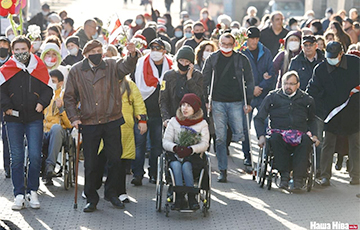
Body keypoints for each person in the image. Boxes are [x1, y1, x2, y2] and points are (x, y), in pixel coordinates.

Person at [64, 39, 139, 212]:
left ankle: (111, 193)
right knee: (90, 162)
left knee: (115, 159)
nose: (98, 54)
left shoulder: (111, 65)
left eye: (100, 50)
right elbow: (69, 97)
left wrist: (132, 54)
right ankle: (91, 197)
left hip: (112, 119)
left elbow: (126, 66)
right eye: (94, 51)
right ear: (86, 54)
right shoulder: (76, 71)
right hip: (89, 122)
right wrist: (74, 117)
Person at [0, 36, 53, 210]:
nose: (20, 53)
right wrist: (6, 107)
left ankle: (33, 191)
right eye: (17, 50)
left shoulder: (38, 67)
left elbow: (48, 89)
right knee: (17, 157)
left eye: (24, 49)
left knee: (35, 156)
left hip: (34, 118)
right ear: (12, 51)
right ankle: (19, 194)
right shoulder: (6, 69)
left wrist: (41, 103)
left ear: (30, 49)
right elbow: (1, 91)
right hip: (13, 119)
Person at [306, 41, 360, 186]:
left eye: (334, 57)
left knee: (356, 144)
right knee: (328, 144)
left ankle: (356, 176)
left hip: (354, 112)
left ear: (341, 54)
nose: (331, 60)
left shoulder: (355, 63)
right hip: (330, 113)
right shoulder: (321, 69)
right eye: (329, 57)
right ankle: (325, 176)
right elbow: (313, 90)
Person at [202, 33, 254, 182]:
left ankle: (247, 158)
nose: (226, 47)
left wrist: (248, 102)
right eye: (223, 44)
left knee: (240, 133)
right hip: (218, 102)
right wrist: (206, 100)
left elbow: (249, 80)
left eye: (229, 44)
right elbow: (205, 79)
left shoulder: (241, 59)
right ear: (219, 44)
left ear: (234, 44)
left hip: (237, 101)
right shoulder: (213, 58)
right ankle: (223, 170)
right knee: (220, 137)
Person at [255, 71, 319, 190]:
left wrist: (315, 135)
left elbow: (312, 120)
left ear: (298, 85)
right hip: (279, 133)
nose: (288, 86)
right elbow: (259, 118)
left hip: (299, 133)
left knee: (306, 141)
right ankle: (284, 176)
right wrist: (261, 136)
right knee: (274, 139)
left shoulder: (306, 99)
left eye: (291, 84)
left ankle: (298, 179)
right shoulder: (272, 97)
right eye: (285, 83)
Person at [132, 38, 173, 186]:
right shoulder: (141, 63)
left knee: (156, 145)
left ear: (164, 51)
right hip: (142, 110)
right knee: (139, 144)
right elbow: (135, 87)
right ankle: (137, 174)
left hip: (159, 112)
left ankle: (154, 174)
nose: (155, 51)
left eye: (158, 48)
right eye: (153, 48)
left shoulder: (170, 65)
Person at [162, 93, 209, 210]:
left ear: (195, 108)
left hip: (193, 156)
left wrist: (191, 149)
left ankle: (192, 196)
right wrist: (175, 148)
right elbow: (166, 141)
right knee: (176, 166)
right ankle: (179, 197)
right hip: (175, 154)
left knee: (187, 166)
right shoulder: (174, 121)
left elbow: (205, 144)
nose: (185, 108)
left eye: (188, 105)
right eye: (183, 105)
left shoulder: (202, 124)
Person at [240, 27, 275, 166]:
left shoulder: (266, 52)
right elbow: (238, 75)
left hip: (263, 95)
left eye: (255, 38)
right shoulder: (241, 52)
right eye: (251, 38)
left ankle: (266, 153)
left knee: (265, 125)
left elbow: (271, 74)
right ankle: (247, 155)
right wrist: (251, 89)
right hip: (247, 96)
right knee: (245, 127)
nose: (253, 41)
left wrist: (260, 87)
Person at [42, 70, 72, 185]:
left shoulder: (65, 96)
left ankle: (50, 166)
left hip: (59, 132)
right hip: (44, 131)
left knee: (55, 128)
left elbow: (69, 123)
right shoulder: (44, 95)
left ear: (60, 83)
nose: (51, 83)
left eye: (53, 81)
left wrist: (61, 109)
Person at [160, 45, 203, 125]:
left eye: (187, 62)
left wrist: (189, 79)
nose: (183, 64)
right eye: (181, 61)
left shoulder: (198, 76)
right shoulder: (168, 76)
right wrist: (165, 118)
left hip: (192, 120)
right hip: (172, 118)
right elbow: (163, 99)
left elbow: (199, 96)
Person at [0, 37, 11, 178]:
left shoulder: (12, 63)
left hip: (7, 104)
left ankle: (8, 167)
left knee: (7, 135)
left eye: (4, 45)